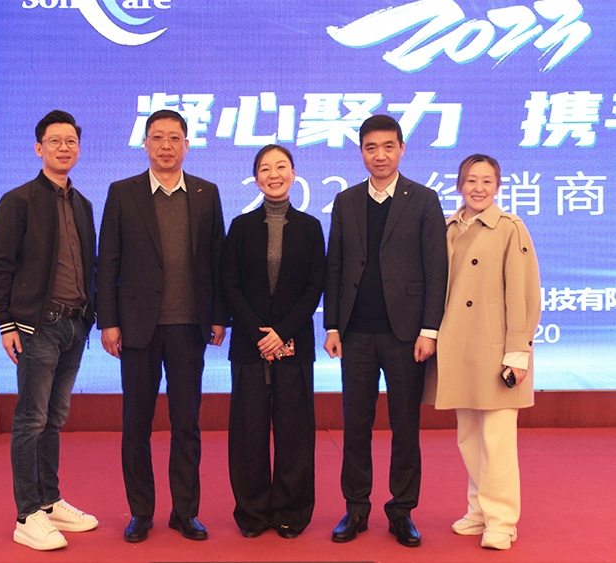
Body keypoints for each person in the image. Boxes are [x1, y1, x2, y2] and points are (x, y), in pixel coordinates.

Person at [97, 109, 227, 543]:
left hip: (189, 326)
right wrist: (108, 321)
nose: (166, 146)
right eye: (157, 137)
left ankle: (185, 512)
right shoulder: (123, 192)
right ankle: (141, 512)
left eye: (174, 138)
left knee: (186, 423)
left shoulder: (206, 193)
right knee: (136, 423)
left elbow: (217, 260)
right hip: (137, 328)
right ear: (145, 144)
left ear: (187, 145)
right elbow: (107, 262)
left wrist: (218, 316)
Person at [323, 115, 448, 547]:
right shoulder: (347, 200)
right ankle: (356, 508)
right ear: (361, 151)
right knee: (355, 426)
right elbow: (335, 266)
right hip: (355, 333)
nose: (380, 155)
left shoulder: (424, 199)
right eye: (371, 147)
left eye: (388, 146)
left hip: (406, 335)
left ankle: (402, 511)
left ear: (401, 149)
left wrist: (429, 329)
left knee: (405, 427)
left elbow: (437, 269)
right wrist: (333, 325)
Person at [0, 110, 98, 551]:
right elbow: (0, 267)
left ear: (79, 148)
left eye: (71, 141)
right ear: (39, 148)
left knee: (54, 417)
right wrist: (6, 323)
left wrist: (90, 317)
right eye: (55, 141)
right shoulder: (18, 201)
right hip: (37, 327)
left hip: (74, 326)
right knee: (30, 420)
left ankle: (50, 501)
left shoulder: (83, 204)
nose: (63, 148)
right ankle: (27, 514)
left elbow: (89, 266)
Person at [424, 154, 541, 551]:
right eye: (471, 180)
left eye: (487, 181)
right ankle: (479, 509)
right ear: (459, 185)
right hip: (457, 346)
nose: (478, 188)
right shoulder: (447, 227)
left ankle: (502, 520)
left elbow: (524, 293)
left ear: (498, 186)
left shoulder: (509, 227)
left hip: (495, 349)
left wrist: (518, 351)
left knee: (498, 439)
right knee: (469, 436)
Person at [221, 145, 325, 539]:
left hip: (294, 346)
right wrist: (259, 334)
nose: (274, 174)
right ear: (256, 178)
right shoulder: (241, 226)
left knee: (294, 433)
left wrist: (282, 332)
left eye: (281, 167)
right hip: (250, 347)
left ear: (294, 174)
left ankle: (290, 513)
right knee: (248, 433)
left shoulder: (310, 227)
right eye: (265, 169)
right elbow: (230, 284)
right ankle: (252, 513)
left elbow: (314, 286)